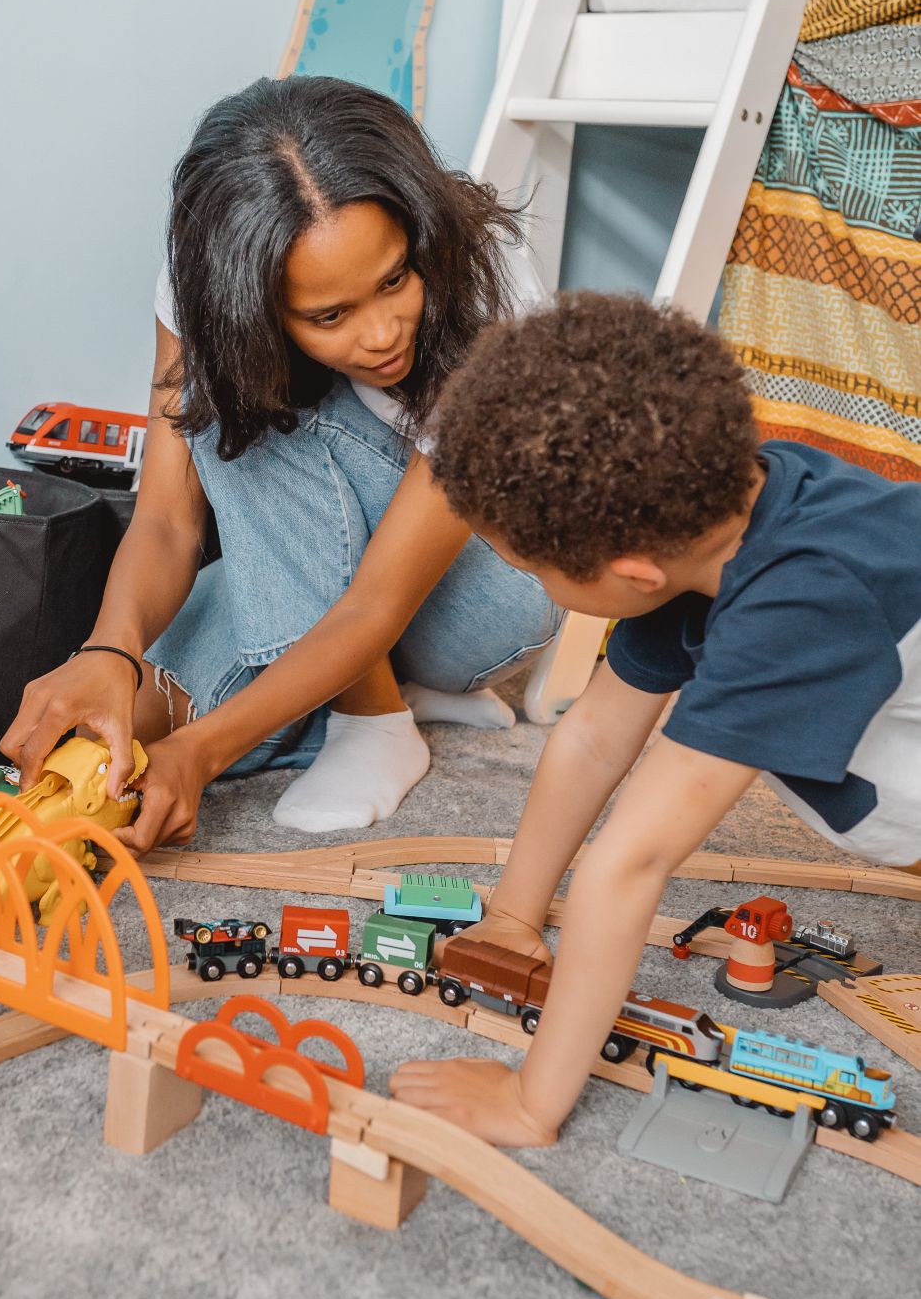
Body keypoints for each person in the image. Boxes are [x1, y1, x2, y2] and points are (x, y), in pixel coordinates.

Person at [390, 291, 921, 1148]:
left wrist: (532, 1103)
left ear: (629, 570)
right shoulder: (709, 518)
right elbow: (595, 737)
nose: (532, 584)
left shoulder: (797, 606)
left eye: (527, 567)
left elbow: (630, 863)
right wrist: (515, 917)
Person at [0, 76, 560, 847]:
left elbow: (374, 606)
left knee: (242, 415)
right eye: (330, 315)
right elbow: (165, 521)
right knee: (156, 691)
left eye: (396, 279)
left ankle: (376, 721)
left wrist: (199, 753)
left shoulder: (492, 285)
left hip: (488, 599)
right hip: (346, 576)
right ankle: (386, 695)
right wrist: (111, 651)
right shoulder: (211, 281)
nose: (383, 333)